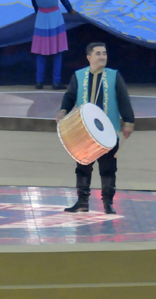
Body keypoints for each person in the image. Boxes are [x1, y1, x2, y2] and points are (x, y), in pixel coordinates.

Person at [57, 43, 134, 214]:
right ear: (89, 57)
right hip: (83, 132)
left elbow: (123, 99)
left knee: (108, 168)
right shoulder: (79, 76)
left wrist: (128, 122)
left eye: (104, 53)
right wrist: (63, 111)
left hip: (108, 133)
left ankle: (107, 203)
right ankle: (82, 202)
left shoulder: (114, 76)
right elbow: (69, 96)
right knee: (83, 166)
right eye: (98, 53)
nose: (102, 57)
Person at [30, 0, 74, 88]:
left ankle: (39, 81)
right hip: (55, 18)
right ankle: (56, 81)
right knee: (57, 50)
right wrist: (71, 10)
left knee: (41, 51)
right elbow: (64, 0)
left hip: (41, 18)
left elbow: (34, 4)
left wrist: (40, 12)